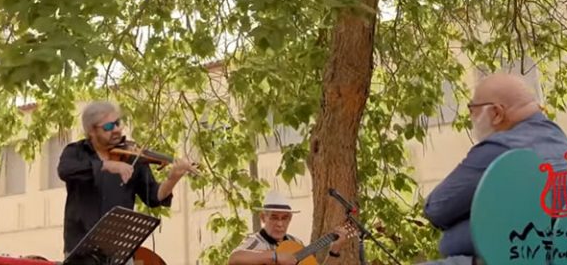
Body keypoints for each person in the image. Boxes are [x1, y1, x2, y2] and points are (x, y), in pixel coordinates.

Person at [421, 73, 567, 264]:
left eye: (473, 109)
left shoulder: (500, 148)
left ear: (496, 113)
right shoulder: (564, 144)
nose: (471, 117)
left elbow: (437, 209)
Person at [57, 100, 197, 255]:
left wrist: (172, 179)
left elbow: (154, 197)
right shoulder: (76, 152)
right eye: (108, 127)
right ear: (91, 131)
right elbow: (65, 171)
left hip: (118, 251)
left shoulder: (131, 156)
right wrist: (107, 165)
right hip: (81, 252)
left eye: (118, 122)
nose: (117, 129)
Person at [228, 191, 350, 265]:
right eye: (274, 217)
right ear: (263, 218)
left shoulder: (296, 243)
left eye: (284, 218)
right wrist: (276, 256)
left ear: (290, 218)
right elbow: (234, 258)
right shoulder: (255, 241)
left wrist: (335, 250)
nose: (280, 224)